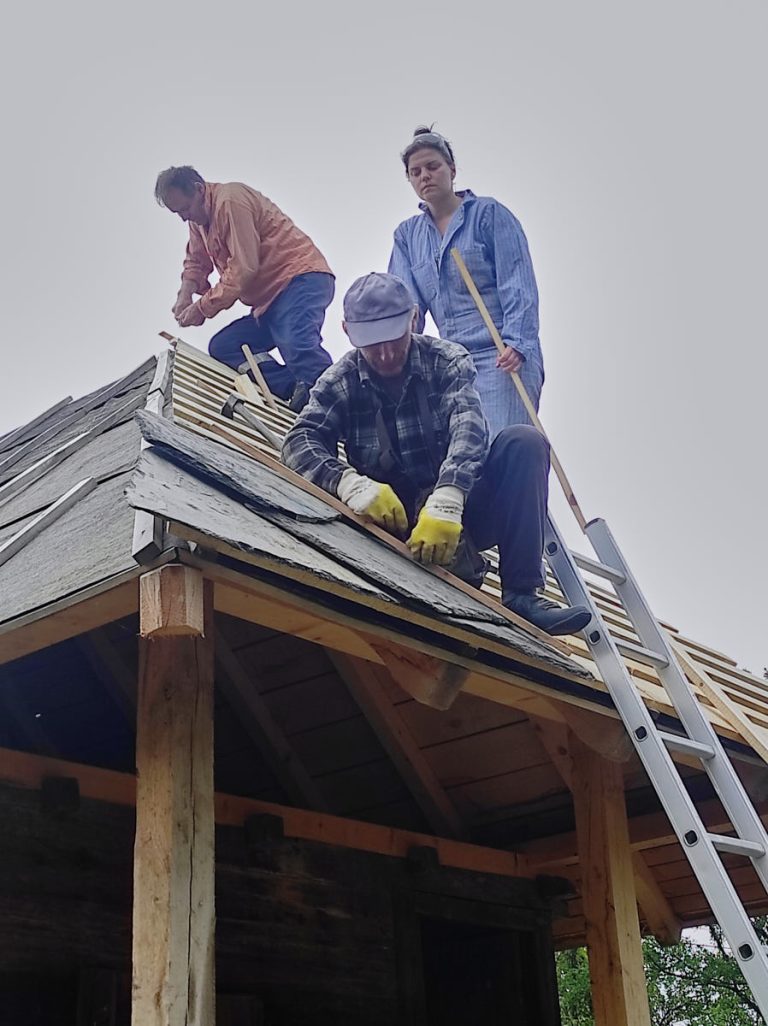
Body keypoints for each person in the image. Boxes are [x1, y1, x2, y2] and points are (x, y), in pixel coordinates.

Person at [282, 272, 590, 637]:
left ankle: (522, 594)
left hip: (461, 509)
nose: (384, 354)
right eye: (372, 344)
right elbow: (299, 441)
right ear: (348, 331)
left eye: (394, 340)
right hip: (395, 525)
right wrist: (346, 482)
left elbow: (469, 427)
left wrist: (449, 495)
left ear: (413, 318)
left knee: (524, 443)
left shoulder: (445, 360)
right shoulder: (340, 381)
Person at [388, 127, 544, 439]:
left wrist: (518, 342)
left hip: (502, 352)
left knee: (501, 442)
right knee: (461, 449)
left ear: (452, 170)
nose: (425, 176)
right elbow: (406, 305)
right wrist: (397, 350)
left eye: (433, 167)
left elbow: (517, 281)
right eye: (415, 172)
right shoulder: (407, 236)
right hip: (452, 362)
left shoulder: (489, 214)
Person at [155, 165, 335, 412]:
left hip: (298, 281)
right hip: (268, 303)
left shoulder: (231, 201)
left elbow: (243, 269)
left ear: (198, 189)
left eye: (185, 209)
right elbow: (196, 261)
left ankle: (338, 407)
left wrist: (202, 308)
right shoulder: (198, 220)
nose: (184, 217)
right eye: (178, 213)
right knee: (226, 346)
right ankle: (295, 388)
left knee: (298, 345)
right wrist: (184, 295)